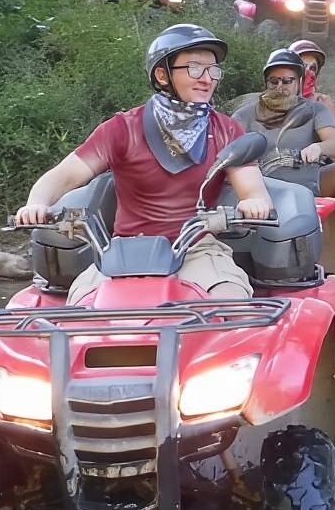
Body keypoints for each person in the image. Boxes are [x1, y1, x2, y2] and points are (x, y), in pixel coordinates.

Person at [15, 23, 273, 302]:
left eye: (213, 70)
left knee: (233, 303)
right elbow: (63, 176)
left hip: (197, 249)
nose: (207, 79)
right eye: (195, 68)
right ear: (162, 75)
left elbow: (253, 190)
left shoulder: (226, 130)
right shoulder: (122, 129)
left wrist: (253, 203)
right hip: (122, 252)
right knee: (78, 310)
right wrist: (36, 203)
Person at [233, 49, 335, 263]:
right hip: (263, 187)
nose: (280, 87)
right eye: (273, 81)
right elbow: (229, 149)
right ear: (265, 83)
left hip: (309, 184)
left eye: (287, 81)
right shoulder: (246, 114)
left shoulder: (315, 110)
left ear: (299, 82)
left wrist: (319, 148)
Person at [288, 38, 335, 116]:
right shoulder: (275, 105)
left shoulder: (323, 104)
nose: (309, 72)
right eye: (303, 66)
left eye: (312, 68)